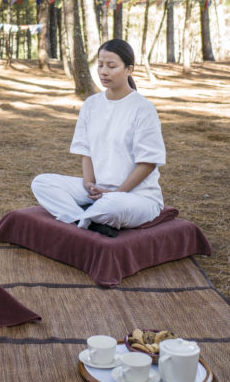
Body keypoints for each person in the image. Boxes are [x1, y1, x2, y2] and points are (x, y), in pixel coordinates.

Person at [31, 39, 165, 235]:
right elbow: (87, 151)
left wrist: (116, 193)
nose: (103, 71)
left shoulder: (143, 109)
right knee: (42, 183)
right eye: (100, 65)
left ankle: (85, 216)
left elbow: (148, 163)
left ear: (129, 70)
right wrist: (89, 184)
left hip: (135, 196)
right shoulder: (91, 105)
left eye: (112, 66)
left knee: (113, 206)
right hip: (98, 191)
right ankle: (84, 220)